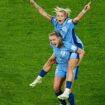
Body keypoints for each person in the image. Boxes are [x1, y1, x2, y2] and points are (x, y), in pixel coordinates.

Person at [29, 0, 91, 99]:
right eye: (58, 16)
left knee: (70, 67)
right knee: (51, 60)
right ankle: (39, 78)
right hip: (62, 46)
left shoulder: (69, 23)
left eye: (61, 16)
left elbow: (77, 18)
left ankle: (67, 91)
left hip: (73, 47)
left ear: (65, 17)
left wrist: (84, 10)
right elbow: (43, 12)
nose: (59, 17)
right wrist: (33, 3)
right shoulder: (55, 21)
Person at [32, 31, 81, 105]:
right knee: (56, 88)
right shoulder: (53, 45)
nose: (52, 42)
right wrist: (57, 59)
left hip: (70, 68)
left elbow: (81, 52)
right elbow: (56, 53)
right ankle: (63, 104)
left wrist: (78, 63)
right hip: (61, 67)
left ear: (59, 38)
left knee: (67, 90)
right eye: (50, 40)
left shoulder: (68, 45)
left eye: (54, 39)